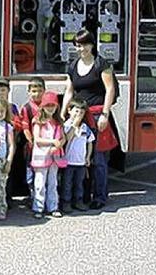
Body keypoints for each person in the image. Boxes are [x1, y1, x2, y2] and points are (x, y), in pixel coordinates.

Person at [61, 29, 119, 210]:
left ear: (92, 44)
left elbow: (110, 90)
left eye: (85, 44)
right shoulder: (72, 66)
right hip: (79, 117)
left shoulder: (101, 64)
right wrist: (63, 111)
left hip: (97, 115)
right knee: (79, 158)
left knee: (99, 160)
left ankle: (100, 197)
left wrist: (105, 114)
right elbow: (70, 91)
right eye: (78, 45)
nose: (81, 49)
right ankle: (83, 195)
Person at [31, 91, 67, 219]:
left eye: (53, 105)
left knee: (53, 182)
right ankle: (38, 207)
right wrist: (53, 142)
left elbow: (63, 138)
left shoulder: (58, 121)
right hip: (41, 156)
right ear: (42, 107)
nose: (50, 108)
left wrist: (59, 144)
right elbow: (37, 139)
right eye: (48, 105)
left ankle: (53, 206)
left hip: (55, 156)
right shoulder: (38, 121)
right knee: (39, 183)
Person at [12, 77, 45, 206]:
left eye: (40, 90)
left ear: (44, 90)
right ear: (29, 92)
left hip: (47, 147)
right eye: (34, 91)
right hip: (32, 147)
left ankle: (45, 198)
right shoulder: (26, 108)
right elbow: (25, 128)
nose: (37, 94)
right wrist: (32, 142)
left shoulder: (48, 105)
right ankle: (33, 197)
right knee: (31, 173)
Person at [62, 98, 95, 214]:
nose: (78, 115)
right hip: (68, 162)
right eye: (76, 111)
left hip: (80, 162)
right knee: (67, 183)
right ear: (69, 110)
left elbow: (90, 142)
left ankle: (78, 201)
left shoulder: (85, 127)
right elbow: (67, 139)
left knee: (79, 183)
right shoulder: (66, 125)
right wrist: (74, 126)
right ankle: (66, 202)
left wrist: (87, 157)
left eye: (81, 113)